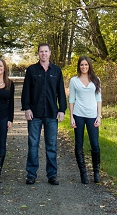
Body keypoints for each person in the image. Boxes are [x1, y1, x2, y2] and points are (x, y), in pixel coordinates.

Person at [21, 43, 67, 185]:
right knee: (33, 144)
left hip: (52, 113)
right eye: (41, 51)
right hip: (35, 114)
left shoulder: (57, 71)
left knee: (51, 145)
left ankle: (52, 175)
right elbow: (26, 91)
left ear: (50, 53)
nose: (44, 54)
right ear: (38, 53)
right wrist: (27, 108)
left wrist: (62, 109)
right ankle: (31, 174)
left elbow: (61, 92)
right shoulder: (31, 70)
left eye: (46, 51)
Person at [69, 55, 103, 183]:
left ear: (89, 66)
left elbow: (98, 99)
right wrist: (71, 117)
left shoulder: (96, 80)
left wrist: (99, 115)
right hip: (78, 115)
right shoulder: (74, 81)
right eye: (82, 65)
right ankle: (83, 173)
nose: (84, 67)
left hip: (92, 116)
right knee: (79, 144)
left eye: (86, 65)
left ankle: (96, 172)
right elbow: (71, 99)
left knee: (95, 144)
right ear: (79, 66)